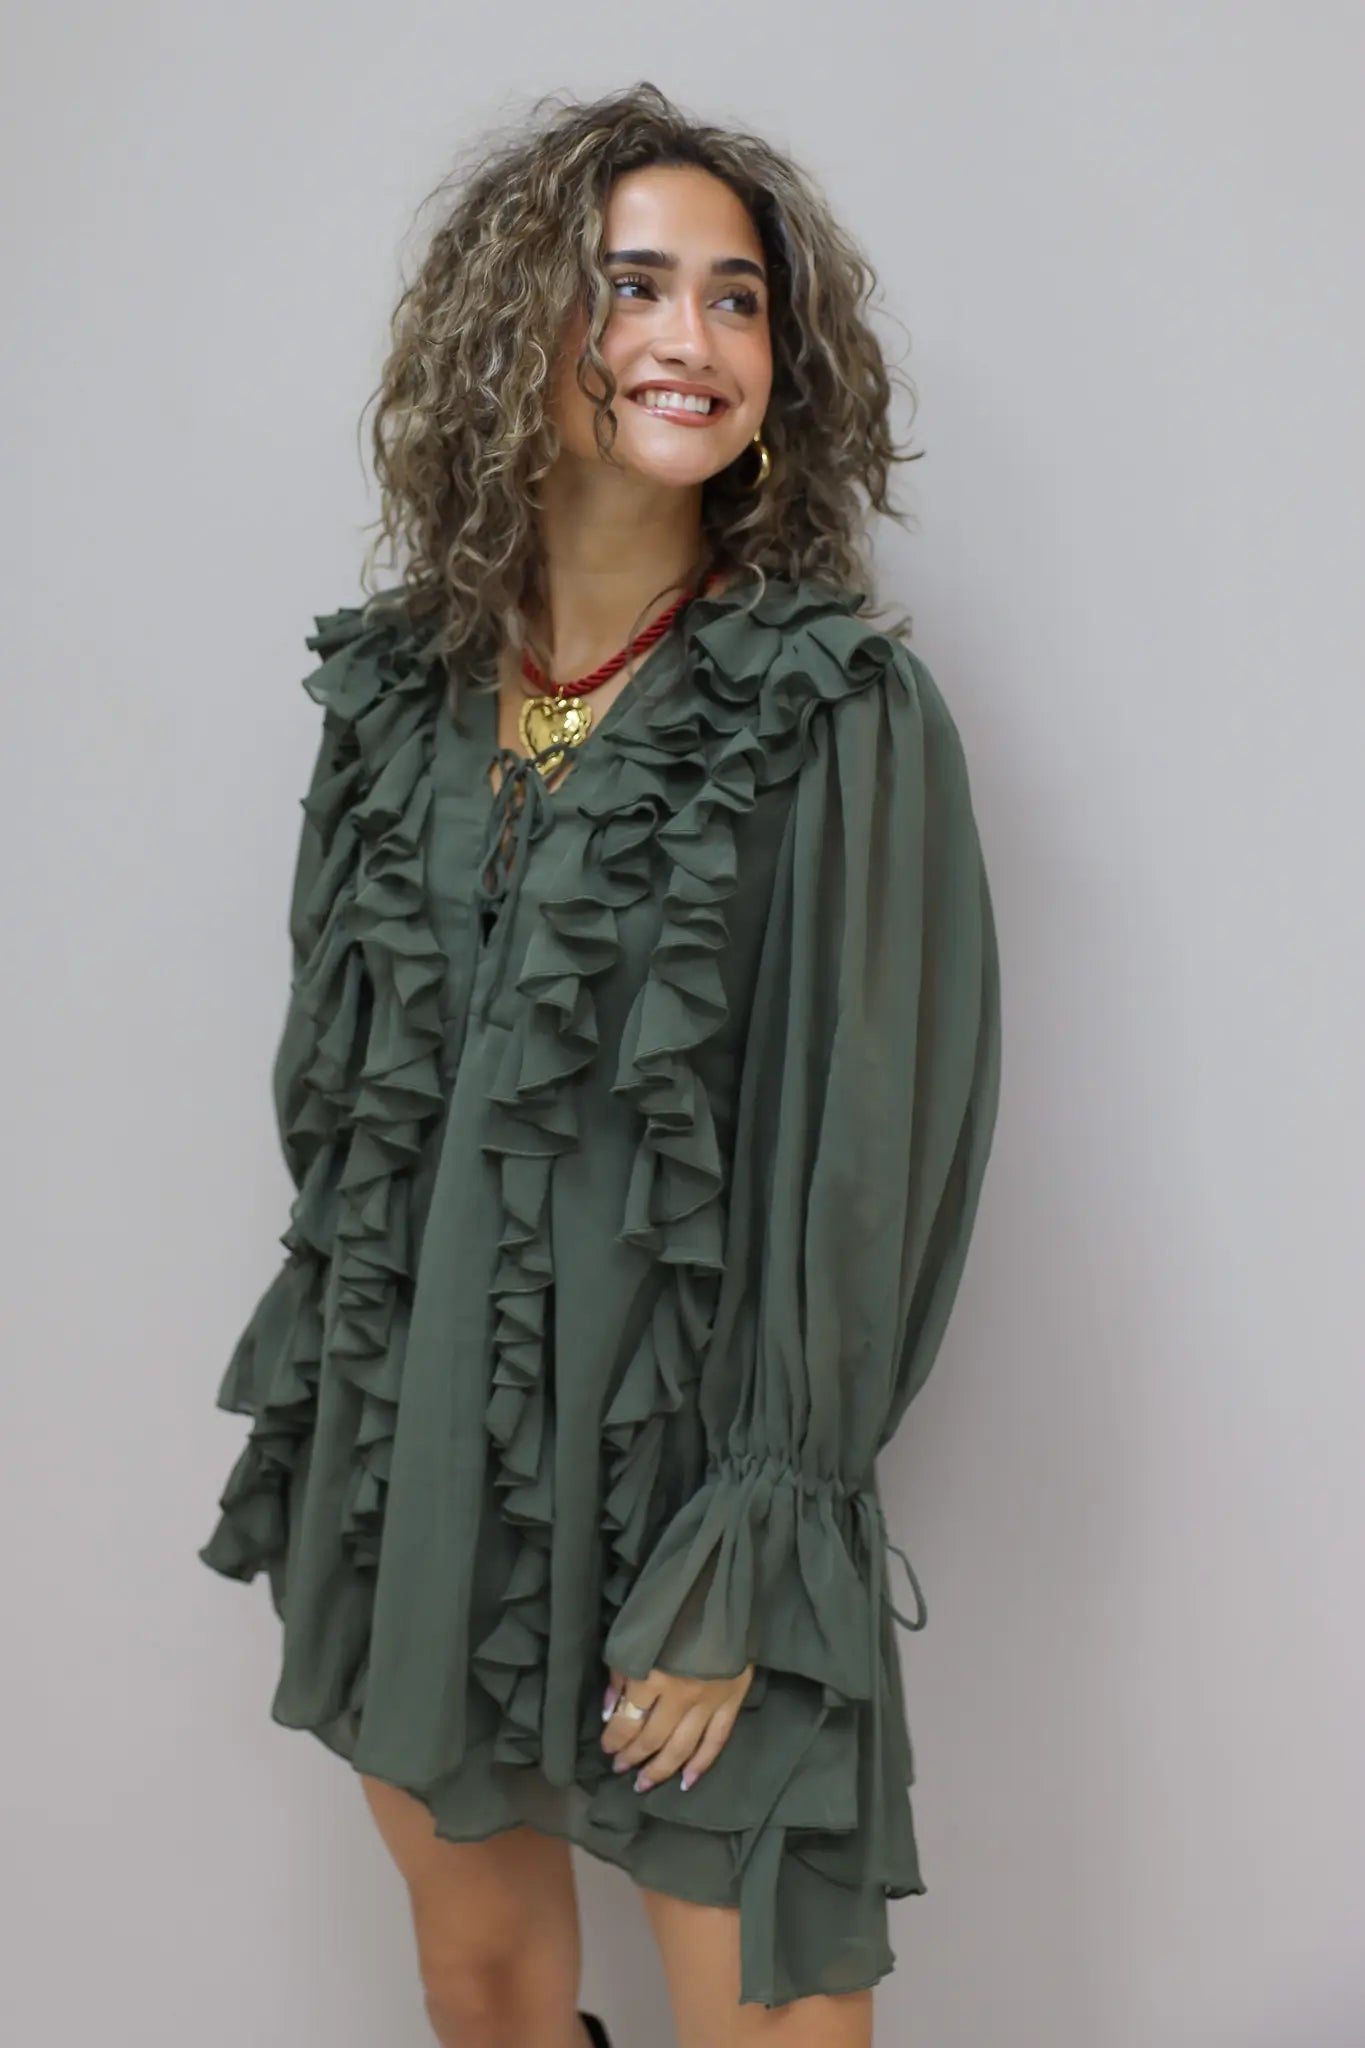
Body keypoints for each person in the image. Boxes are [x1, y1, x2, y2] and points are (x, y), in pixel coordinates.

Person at [198, 80, 1002, 2048]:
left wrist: (757, 1544)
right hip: (423, 1466)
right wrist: (349, 1450)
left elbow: (871, 1158)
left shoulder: (836, 715)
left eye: (736, 300)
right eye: (630, 284)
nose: (687, 337)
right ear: (513, 329)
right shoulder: (393, 698)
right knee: (481, 1988)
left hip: (693, 1501)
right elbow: (342, 1114)